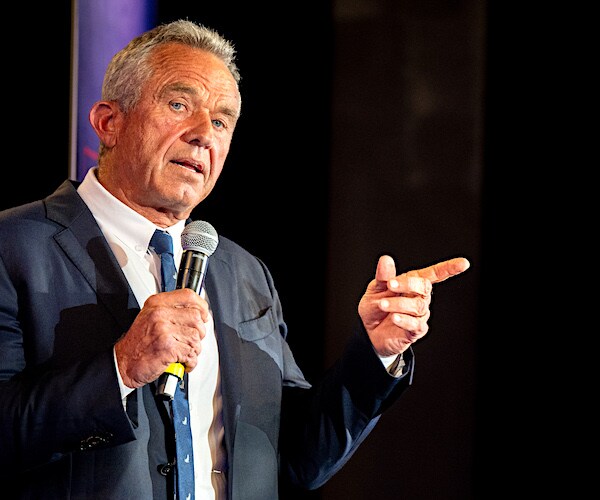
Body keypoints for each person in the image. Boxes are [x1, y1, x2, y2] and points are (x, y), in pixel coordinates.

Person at [0, 19, 470, 500]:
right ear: (109, 122)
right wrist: (121, 368)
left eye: (222, 122)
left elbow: (296, 458)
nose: (204, 134)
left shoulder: (244, 273)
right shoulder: (13, 246)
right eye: (179, 105)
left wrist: (375, 352)